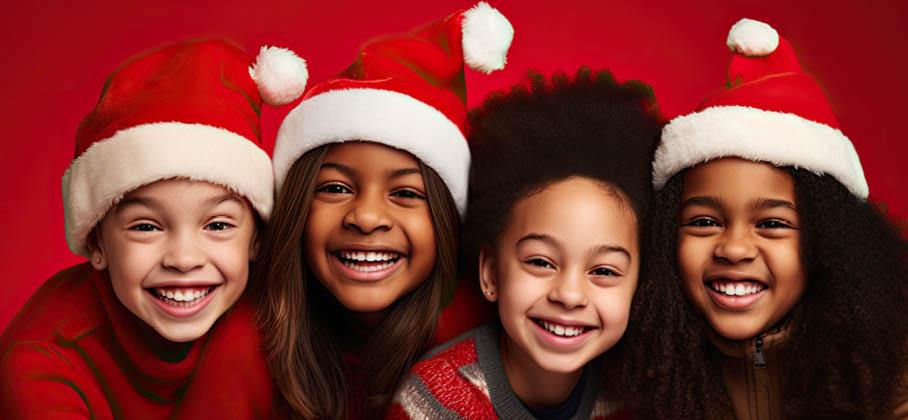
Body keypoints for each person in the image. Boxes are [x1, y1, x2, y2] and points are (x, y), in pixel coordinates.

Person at [0, 38, 307, 418]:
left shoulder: (273, 318)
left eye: (217, 224)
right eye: (146, 227)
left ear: (256, 239)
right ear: (97, 242)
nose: (183, 258)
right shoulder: (41, 360)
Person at [620, 18, 908, 419]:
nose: (734, 248)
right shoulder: (641, 369)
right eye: (704, 222)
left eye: (772, 224)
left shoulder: (891, 369)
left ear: (828, 241)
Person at [251, 2, 514, 418]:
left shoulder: (484, 345)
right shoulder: (252, 342)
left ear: (448, 221)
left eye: (406, 193)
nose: (367, 217)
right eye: (336, 187)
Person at [389, 68, 661, 420]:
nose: (570, 294)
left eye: (604, 270)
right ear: (490, 272)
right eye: (541, 262)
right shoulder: (435, 401)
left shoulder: (634, 395)